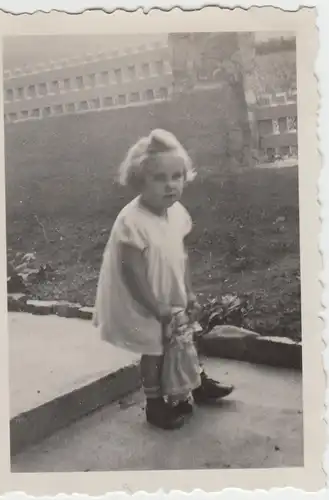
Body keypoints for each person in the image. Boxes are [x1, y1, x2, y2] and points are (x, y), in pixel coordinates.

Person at [94, 129, 234, 430]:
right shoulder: (132, 221)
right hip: (143, 298)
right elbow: (130, 270)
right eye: (159, 178)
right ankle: (155, 405)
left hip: (170, 290)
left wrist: (188, 291)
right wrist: (154, 306)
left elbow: (179, 255)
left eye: (177, 176)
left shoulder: (177, 212)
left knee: (184, 339)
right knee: (155, 349)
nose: (170, 185)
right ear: (139, 180)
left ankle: (195, 383)